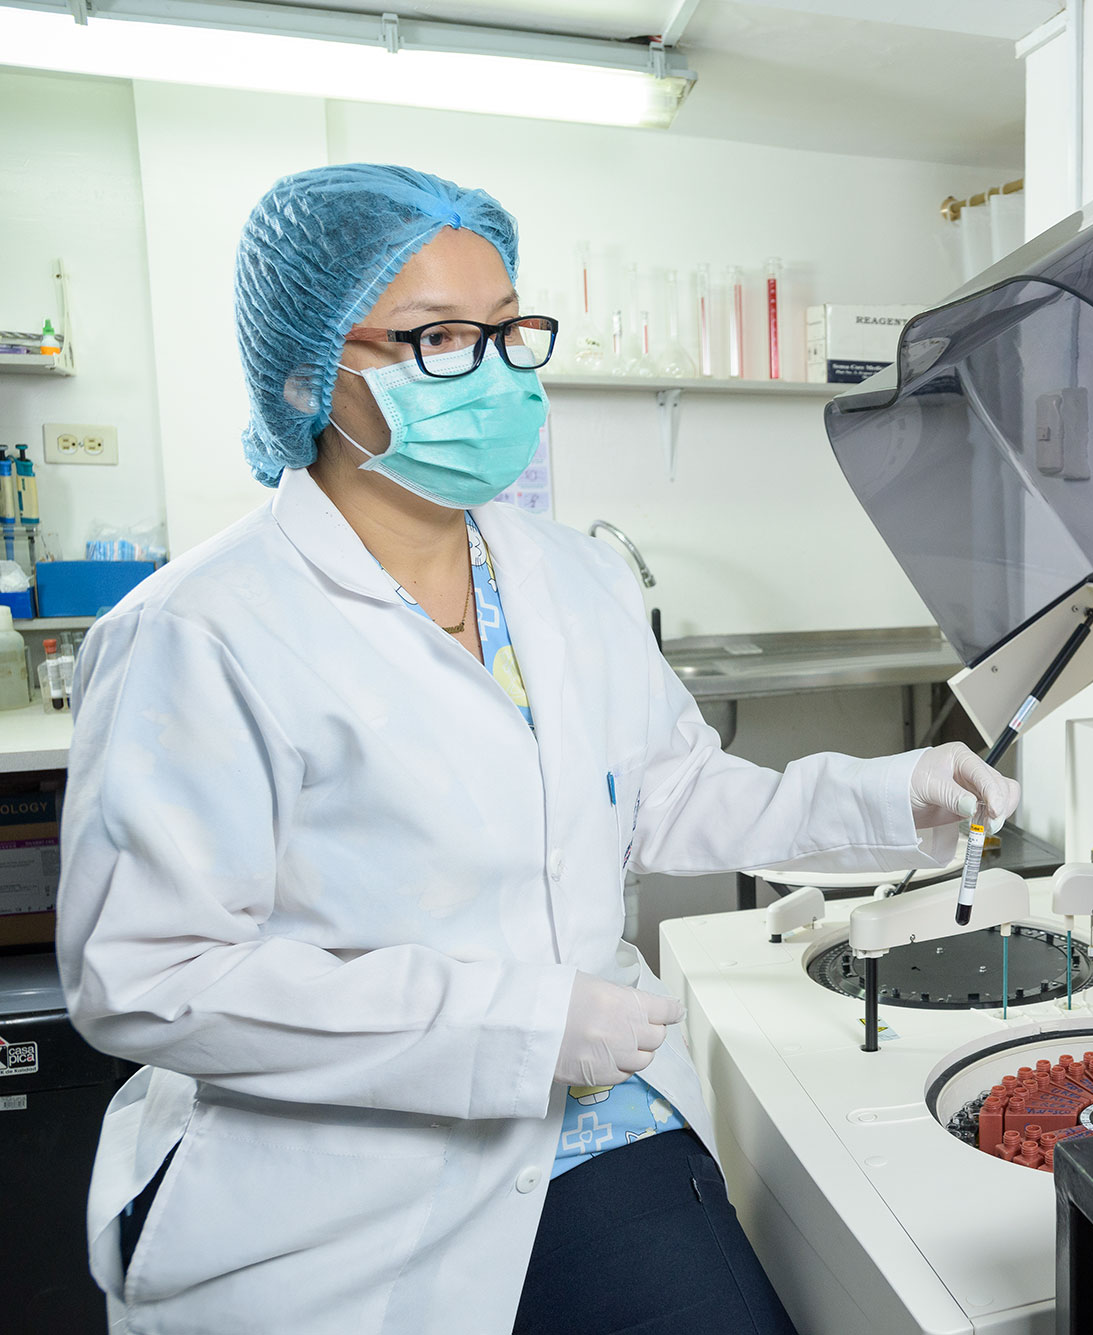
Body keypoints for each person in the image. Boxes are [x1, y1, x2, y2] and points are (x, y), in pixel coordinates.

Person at [55, 163, 1018, 1335]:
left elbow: (668, 792)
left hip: (594, 1125)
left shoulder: (572, 576)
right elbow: (149, 978)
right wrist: (516, 1023)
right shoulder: (197, 631)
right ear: (308, 373)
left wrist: (892, 793)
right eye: (439, 339)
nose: (497, 371)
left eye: (509, 332)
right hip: (334, 1193)